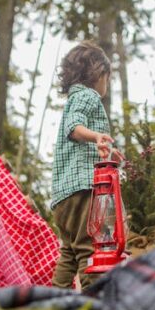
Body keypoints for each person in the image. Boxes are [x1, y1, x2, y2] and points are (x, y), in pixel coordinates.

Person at [50, 41, 122, 289]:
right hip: (82, 189)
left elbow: (77, 135)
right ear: (98, 73)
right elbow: (74, 128)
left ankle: (52, 304)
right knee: (88, 249)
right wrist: (96, 136)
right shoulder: (89, 97)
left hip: (62, 196)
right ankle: (92, 304)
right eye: (107, 78)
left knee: (68, 253)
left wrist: (107, 150)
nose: (107, 85)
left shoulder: (73, 99)